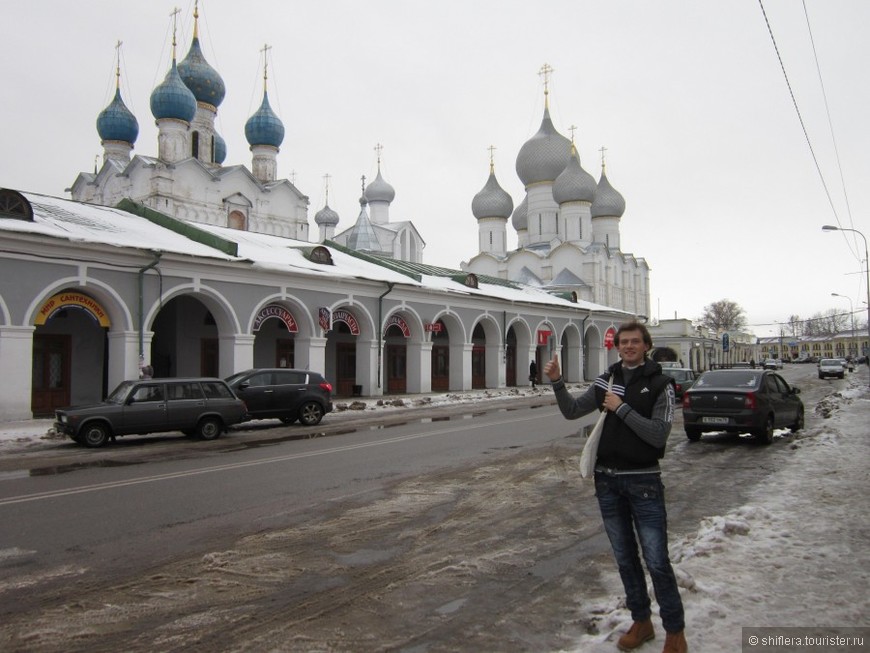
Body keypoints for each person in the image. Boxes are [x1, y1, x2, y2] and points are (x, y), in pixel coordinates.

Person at [544, 320, 687, 653]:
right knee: (625, 558)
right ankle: (641, 621)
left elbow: (657, 434)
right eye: (623, 342)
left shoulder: (661, 384)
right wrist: (557, 382)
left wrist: (620, 408)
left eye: (635, 341)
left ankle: (675, 632)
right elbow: (572, 411)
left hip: (643, 481)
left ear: (646, 345)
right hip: (607, 481)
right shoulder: (607, 379)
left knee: (657, 560)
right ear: (617, 346)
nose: (628, 346)